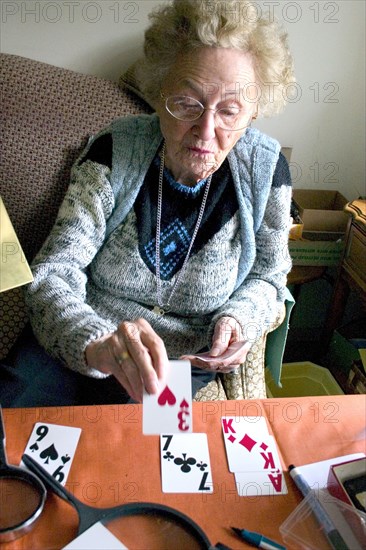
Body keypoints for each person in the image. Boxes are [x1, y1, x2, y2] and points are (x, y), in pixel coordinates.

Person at [5, 0, 295, 406]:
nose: (206, 131)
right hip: (83, 336)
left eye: (229, 110)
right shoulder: (113, 152)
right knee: (13, 431)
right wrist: (96, 343)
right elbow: (55, 270)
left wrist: (238, 318)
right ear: (160, 95)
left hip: (180, 359)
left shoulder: (268, 173)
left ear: (254, 112)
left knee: (139, 458)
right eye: (187, 104)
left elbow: (270, 276)